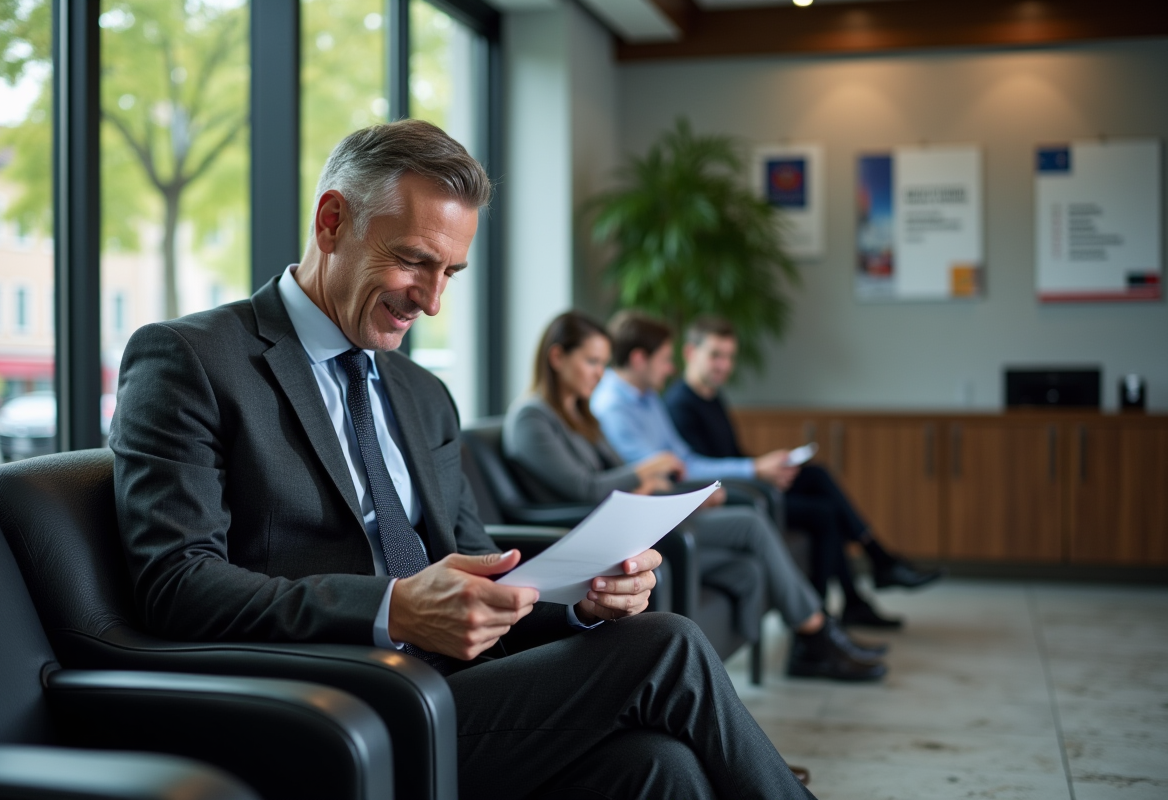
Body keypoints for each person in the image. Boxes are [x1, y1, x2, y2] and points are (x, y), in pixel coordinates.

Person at [111, 120, 817, 799]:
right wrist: (393, 608)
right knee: (668, 645)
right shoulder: (192, 360)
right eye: (414, 261)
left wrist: (580, 602)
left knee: (661, 767)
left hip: (453, 686)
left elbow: (484, 566)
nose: (432, 301)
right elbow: (177, 584)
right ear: (331, 222)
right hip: (330, 704)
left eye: (449, 271)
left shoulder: (423, 395)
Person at [505, 310, 886, 682]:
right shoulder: (531, 418)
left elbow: (615, 477)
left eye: (603, 363)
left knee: (744, 568)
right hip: (595, 537)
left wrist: (655, 484)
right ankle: (815, 634)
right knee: (749, 525)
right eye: (592, 362)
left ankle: (742, 664)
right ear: (557, 357)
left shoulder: (581, 416)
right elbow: (587, 488)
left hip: (624, 526)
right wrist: (649, 470)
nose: (600, 373)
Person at [663, 316, 945, 628]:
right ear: (690, 353)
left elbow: (732, 454)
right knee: (824, 514)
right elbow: (700, 469)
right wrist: (758, 471)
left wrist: (771, 468)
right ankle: (833, 610)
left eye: (730, 357)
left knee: (816, 475)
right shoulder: (679, 405)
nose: (724, 365)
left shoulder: (713, 397)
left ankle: (869, 574)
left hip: (746, 483)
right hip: (732, 495)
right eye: (716, 355)